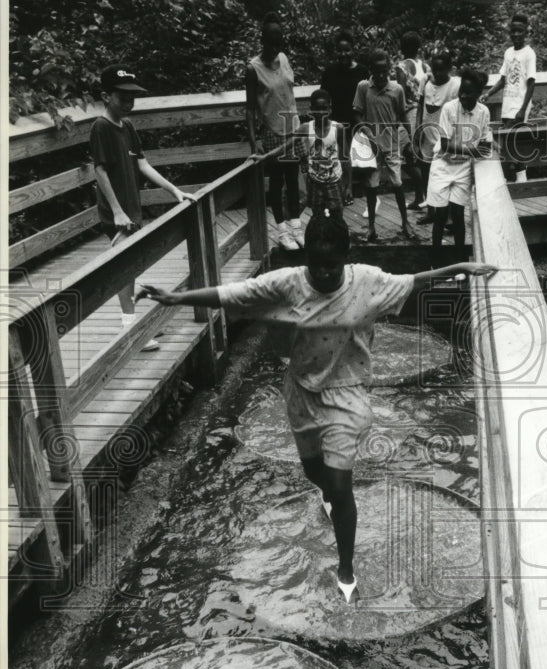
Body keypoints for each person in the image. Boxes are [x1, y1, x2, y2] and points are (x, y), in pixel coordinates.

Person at [140, 213, 497, 603]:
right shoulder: (287, 285)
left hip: (347, 394)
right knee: (315, 471)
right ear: (305, 258)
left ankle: (345, 568)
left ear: (348, 257)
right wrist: (175, 298)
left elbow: (413, 282)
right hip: (301, 391)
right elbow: (234, 293)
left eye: (333, 265)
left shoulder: (368, 281)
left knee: (341, 485)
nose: (325, 274)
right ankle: (328, 494)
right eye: (317, 265)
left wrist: (461, 267)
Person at [89, 64, 196, 350]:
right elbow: (99, 171)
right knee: (124, 268)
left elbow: (142, 163)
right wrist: (116, 211)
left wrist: (174, 190)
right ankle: (131, 331)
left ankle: (132, 324)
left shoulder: (128, 126)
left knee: (131, 266)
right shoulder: (101, 127)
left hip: (131, 208)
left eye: (132, 96)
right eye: (122, 96)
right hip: (117, 213)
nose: (128, 102)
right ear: (106, 96)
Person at [246, 12, 303, 251]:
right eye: (271, 41)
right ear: (263, 40)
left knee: (293, 182)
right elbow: (249, 108)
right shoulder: (253, 68)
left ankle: (296, 227)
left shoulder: (284, 58)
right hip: (272, 130)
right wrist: (254, 140)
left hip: (292, 126)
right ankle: (282, 231)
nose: (275, 46)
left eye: (278, 41)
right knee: (277, 182)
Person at [425, 68, 491, 266]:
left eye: (469, 93)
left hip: (462, 168)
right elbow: (445, 145)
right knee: (440, 215)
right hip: (442, 164)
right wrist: (473, 150)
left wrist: (476, 151)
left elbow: (485, 145)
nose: (463, 95)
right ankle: (435, 263)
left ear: (479, 94)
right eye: (461, 90)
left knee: (458, 217)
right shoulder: (449, 109)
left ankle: (461, 262)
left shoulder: (483, 112)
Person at [353, 49, 415, 242]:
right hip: (372, 148)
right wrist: (368, 134)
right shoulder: (364, 87)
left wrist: (411, 140)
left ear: (389, 70)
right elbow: (357, 113)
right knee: (371, 187)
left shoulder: (397, 89)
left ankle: (405, 223)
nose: (380, 75)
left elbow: (403, 115)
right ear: (371, 70)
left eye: (384, 71)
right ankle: (371, 227)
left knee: (397, 183)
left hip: (392, 144)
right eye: (376, 71)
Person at [481, 13, 536, 182]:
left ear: (526, 32)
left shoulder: (529, 53)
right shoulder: (508, 53)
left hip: (519, 107)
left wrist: (522, 109)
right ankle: (518, 179)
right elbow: (504, 79)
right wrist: (488, 94)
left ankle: (511, 179)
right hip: (507, 106)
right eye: (514, 31)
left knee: (507, 144)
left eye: (520, 31)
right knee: (512, 145)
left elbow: (531, 83)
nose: (516, 34)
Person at [320, 30, 369, 205]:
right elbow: (323, 96)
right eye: (340, 51)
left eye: (347, 50)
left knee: (351, 156)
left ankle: (349, 189)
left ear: (352, 50)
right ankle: (339, 190)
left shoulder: (362, 71)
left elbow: (367, 96)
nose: (343, 54)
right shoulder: (330, 72)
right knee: (339, 156)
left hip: (356, 120)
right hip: (336, 120)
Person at [416, 49, 460, 225]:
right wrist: (418, 127)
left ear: (449, 68)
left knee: (445, 175)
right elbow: (420, 104)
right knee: (426, 174)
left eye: (442, 70)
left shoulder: (455, 85)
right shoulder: (425, 82)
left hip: (445, 136)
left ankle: (448, 215)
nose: (438, 74)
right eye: (435, 69)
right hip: (427, 133)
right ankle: (431, 211)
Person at [294, 89, 348, 223]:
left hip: (334, 180)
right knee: (317, 217)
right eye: (317, 109)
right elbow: (288, 144)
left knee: (337, 217)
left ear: (330, 109)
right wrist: (265, 156)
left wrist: (349, 187)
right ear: (311, 110)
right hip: (315, 181)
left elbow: (346, 159)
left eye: (324, 108)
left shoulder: (338, 128)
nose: (321, 112)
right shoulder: (306, 128)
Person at [395, 31, 431, 209]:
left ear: (402, 47)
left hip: (408, 113)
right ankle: (421, 196)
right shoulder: (425, 66)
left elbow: (400, 94)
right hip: (423, 112)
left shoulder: (401, 67)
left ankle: (424, 194)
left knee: (408, 156)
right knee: (420, 156)